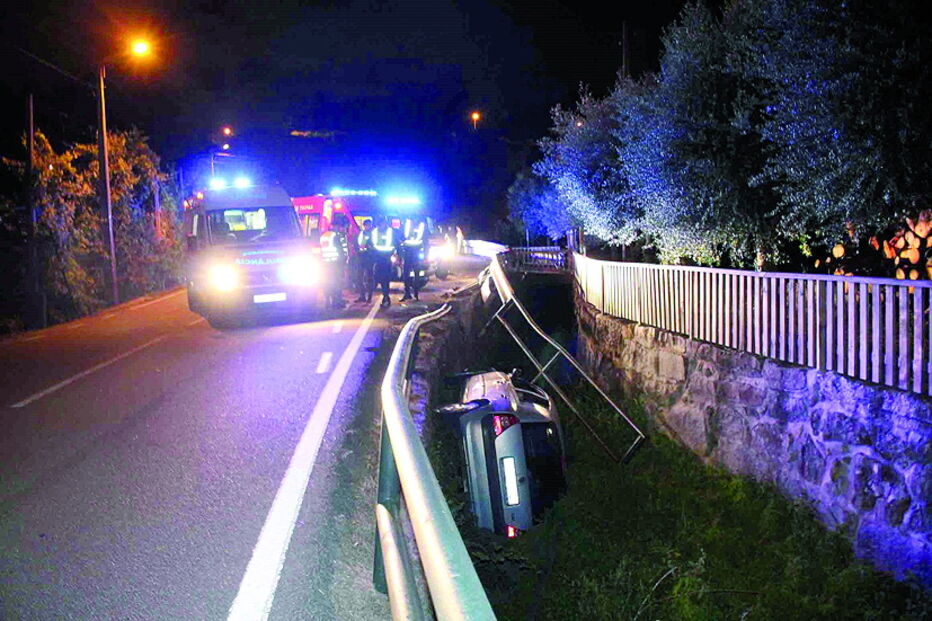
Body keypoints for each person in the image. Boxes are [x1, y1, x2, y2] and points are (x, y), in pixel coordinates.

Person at [369, 216, 398, 308]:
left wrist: (397, 255)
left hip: (387, 259)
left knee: (386, 279)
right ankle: (385, 297)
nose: (383, 225)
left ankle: (386, 297)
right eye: (381, 224)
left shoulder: (390, 232)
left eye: (384, 223)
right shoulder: (374, 232)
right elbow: (370, 244)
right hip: (378, 259)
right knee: (380, 279)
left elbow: (396, 243)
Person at [320, 217, 348, 309]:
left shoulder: (324, 236)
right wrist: (344, 261)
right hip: (335, 264)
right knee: (337, 283)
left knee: (327, 283)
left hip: (325, 264)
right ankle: (337, 302)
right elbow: (340, 251)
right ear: (336, 226)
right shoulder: (335, 236)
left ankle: (328, 301)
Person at [400, 217, 426, 301]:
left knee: (416, 274)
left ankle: (416, 293)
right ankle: (407, 293)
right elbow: (402, 236)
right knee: (406, 274)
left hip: (416, 252)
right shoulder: (407, 224)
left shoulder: (421, 225)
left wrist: (426, 254)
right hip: (408, 252)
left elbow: (425, 239)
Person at [354, 219, 374, 302]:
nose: (368, 227)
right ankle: (362, 296)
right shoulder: (361, 233)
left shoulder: (373, 234)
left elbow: (373, 245)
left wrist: (369, 248)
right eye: (366, 225)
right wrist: (357, 251)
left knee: (369, 278)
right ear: (364, 226)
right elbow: (356, 243)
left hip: (369, 258)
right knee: (359, 277)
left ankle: (369, 296)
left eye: (369, 225)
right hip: (361, 257)